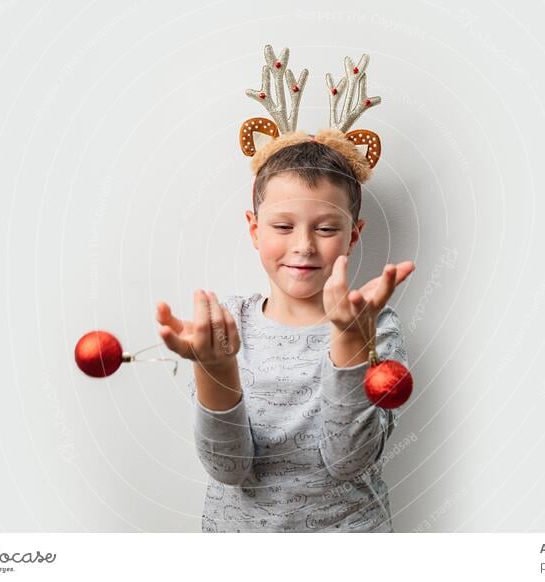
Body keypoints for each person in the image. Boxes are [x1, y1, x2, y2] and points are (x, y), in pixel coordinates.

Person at [155, 45, 415, 532]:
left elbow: (348, 461)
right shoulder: (225, 327)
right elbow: (227, 468)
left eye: (325, 228)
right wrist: (217, 369)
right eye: (282, 227)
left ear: (354, 235)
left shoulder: (377, 327)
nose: (303, 246)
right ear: (254, 230)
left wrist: (352, 344)